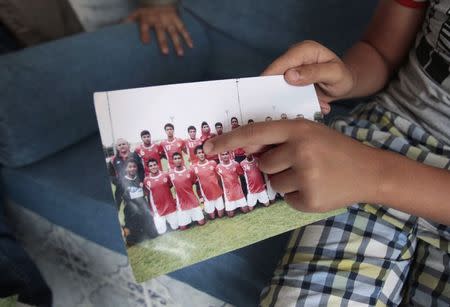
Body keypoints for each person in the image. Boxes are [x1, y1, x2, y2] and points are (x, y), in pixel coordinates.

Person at [204, 0, 450, 305]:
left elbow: (372, 173)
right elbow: (381, 51)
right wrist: (347, 78)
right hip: (380, 133)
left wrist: (372, 174)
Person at [121, 159, 157, 246]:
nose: (132, 169)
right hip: (131, 209)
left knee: (153, 235)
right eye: (130, 167)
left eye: (134, 166)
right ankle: (129, 235)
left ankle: (148, 231)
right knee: (134, 239)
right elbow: (121, 197)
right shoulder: (123, 181)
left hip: (143, 206)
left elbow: (145, 192)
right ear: (126, 169)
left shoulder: (140, 178)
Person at [169, 152, 205, 229]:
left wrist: (201, 197)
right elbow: (168, 187)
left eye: (179, 158)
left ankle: (194, 215)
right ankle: (187, 218)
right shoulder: (170, 174)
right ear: (173, 161)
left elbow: (196, 183)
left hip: (193, 201)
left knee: (201, 223)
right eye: (175, 159)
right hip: (182, 204)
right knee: (183, 228)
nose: (177, 160)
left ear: (182, 159)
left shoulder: (189, 171)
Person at [144, 159, 179, 235]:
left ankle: (169, 222)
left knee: (176, 227)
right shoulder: (146, 180)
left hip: (170, 207)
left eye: (154, 165)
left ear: (158, 165)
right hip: (158, 210)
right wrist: (151, 210)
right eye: (151, 166)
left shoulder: (165, 175)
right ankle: (164, 222)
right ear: (148, 168)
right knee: (161, 232)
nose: (153, 167)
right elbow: (148, 195)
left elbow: (170, 186)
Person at [108, 138, 145, 209]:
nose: (122, 146)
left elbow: (141, 170)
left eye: (123, 144)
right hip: (122, 188)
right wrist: (120, 183)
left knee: (142, 208)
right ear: (116, 147)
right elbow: (111, 175)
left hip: (136, 187)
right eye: (119, 145)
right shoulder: (113, 160)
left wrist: (140, 181)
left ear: (128, 145)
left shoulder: (135, 155)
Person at [193, 145, 224, 219]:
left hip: (217, 193)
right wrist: (200, 197)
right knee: (212, 217)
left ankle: (220, 205)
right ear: (196, 155)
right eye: (199, 153)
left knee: (220, 215)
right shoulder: (194, 167)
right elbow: (196, 184)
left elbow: (219, 178)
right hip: (206, 196)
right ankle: (208, 208)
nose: (201, 154)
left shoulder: (212, 163)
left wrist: (221, 190)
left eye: (203, 152)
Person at [216, 151, 249, 217]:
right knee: (230, 215)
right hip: (228, 194)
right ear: (220, 156)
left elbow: (241, 175)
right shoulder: (218, 167)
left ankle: (241, 203)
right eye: (223, 154)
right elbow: (219, 180)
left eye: (226, 154)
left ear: (229, 155)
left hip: (238, 192)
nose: (225, 156)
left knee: (246, 211)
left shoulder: (236, 164)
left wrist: (240, 189)